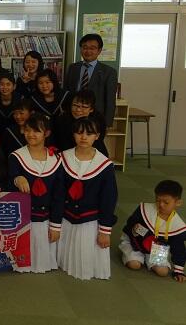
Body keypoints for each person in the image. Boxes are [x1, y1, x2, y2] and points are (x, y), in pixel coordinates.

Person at [57, 117, 118, 280]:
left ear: (97, 136)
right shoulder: (62, 158)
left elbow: (109, 199)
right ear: (73, 134)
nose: (83, 137)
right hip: (66, 217)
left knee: (87, 259)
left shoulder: (105, 165)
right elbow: (58, 193)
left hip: (90, 220)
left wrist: (105, 231)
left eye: (89, 133)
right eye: (79, 132)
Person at [9, 113, 64, 273]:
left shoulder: (56, 159)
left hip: (46, 218)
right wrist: (17, 178)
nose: (31, 134)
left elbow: (59, 195)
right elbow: (9, 182)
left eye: (36, 131)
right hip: (23, 219)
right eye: (27, 130)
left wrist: (55, 225)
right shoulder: (16, 156)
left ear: (46, 133)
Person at [119, 180, 185, 282]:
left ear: (178, 203)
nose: (161, 205)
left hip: (157, 248)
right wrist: (134, 229)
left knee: (163, 272)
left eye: (166, 202)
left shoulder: (178, 225)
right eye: (158, 200)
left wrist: (178, 270)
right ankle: (133, 255)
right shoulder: (144, 209)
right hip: (135, 243)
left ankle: (147, 258)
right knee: (134, 265)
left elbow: (178, 248)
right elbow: (129, 224)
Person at [64, 34, 118, 128]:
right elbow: (67, 92)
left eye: (92, 48)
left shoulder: (109, 72)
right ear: (81, 49)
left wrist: (107, 125)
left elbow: (110, 102)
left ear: (99, 50)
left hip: (95, 119)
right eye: (85, 47)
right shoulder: (73, 68)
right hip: (73, 116)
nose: (88, 51)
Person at [52, 90, 108, 156]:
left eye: (84, 107)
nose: (78, 110)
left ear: (91, 109)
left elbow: (98, 141)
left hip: (93, 154)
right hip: (67, 155)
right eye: (75, 105)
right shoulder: (62, 120)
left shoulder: (98, 120)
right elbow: (58, 142)